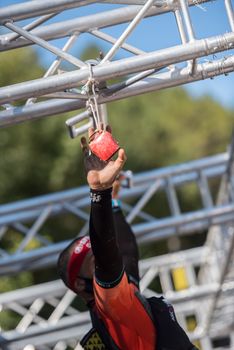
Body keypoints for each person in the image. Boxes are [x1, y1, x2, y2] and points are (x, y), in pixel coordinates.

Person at [57, 126, 198, 350]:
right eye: (93, 260)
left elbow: (126, 253)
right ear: (79, 283)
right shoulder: (110, 304)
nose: (102, 255)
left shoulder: (124, 304)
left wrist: (112, 202)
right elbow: (107, 254)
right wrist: (99, 192)